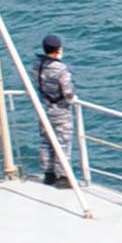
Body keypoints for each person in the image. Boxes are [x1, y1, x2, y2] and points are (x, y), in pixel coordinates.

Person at [35, 34, 84, 188]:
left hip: (45, 107)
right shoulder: (61, 69)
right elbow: (67, 91)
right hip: (61, 110)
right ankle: (63, 176)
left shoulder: (38, 64)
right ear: (58, 49)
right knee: (63, 141)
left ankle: (48, 173)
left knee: (46, 140)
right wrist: (71, 99)